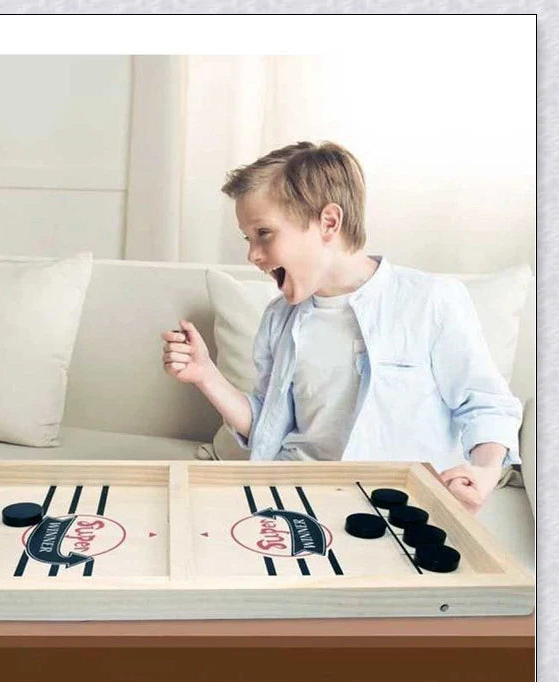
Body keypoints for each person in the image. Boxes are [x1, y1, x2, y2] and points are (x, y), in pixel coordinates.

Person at [161, 141, 522, 514]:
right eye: (248, 238)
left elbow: (487, 405)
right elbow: (267, 429)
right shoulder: (279, 317)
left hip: (397, 507)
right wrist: (205, 375)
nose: (252, 254)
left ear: (328, 222)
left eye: (264, 233)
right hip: (297, 498)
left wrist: (484, 470)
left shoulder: (430, 301)